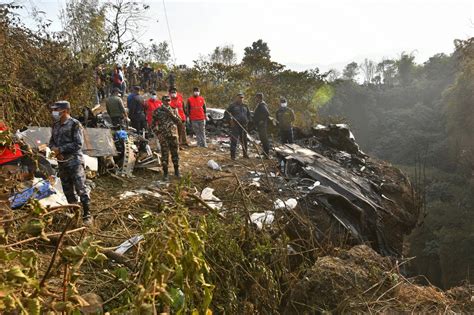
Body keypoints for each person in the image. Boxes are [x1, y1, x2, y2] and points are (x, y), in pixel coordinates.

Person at [48, 101, 92, 225]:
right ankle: (74, 213)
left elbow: (78, 144)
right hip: (61, 162)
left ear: (66, 110)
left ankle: (87, 214)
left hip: (74, 161)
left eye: (57, 110)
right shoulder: (55, 125)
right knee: (67, 190)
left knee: (80, 188)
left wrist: (61, 149)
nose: (54, 112)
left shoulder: (74, 124)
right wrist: (55, 151)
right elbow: (52, 142)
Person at [152, 95, 182, 180]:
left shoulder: (173, 110)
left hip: (173, 135)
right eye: (166, 100)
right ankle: (165, 174)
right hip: (163, 136)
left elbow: (179, 122)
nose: (167, 102)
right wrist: (158, 134)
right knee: (165, 155)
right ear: (162, 101)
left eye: (169, 100)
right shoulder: (157, 111)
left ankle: (177, 171)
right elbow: (153, 125)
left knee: (175, 153)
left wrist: (172, 114)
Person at [224, 93, 251, 160]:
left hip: (244, 126)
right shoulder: (232, 106)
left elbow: (249, 115)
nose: (241, 99)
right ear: (236, 98)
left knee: (244, 140)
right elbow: (226, 113)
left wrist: (248, 121)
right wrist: (230, 121)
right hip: (235, 125)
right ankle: (233, 156)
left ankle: (245, 154)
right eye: (239, 98)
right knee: (234, 140)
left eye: (242, 98)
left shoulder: (245, 106)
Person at [253, 92, 271, 157]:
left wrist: (262, 121)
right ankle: (264, 152)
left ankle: (267, 153)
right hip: (260, 125)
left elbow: (267, 113)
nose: (255, 99)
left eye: (256, 98)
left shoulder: (262, 105)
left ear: (259, 98)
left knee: (264, 139)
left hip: (262, 126)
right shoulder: (259, 104)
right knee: (262, 139)